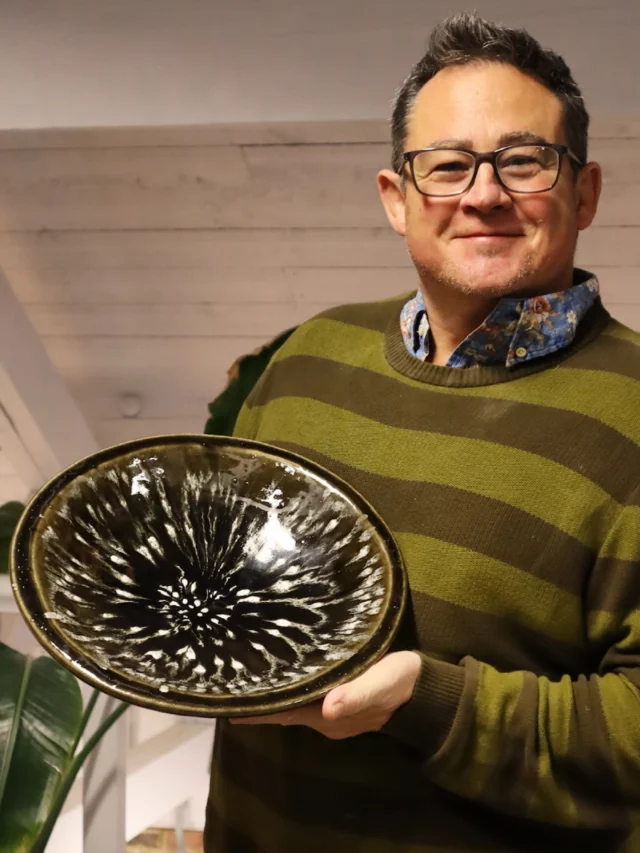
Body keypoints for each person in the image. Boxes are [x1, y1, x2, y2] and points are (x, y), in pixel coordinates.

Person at [204, 12, 640, 852]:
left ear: (584, 192)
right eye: (447, 166)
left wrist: (424, 702)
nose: (483, 193)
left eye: (523, 160)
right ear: (398, 200)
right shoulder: (307, 356)